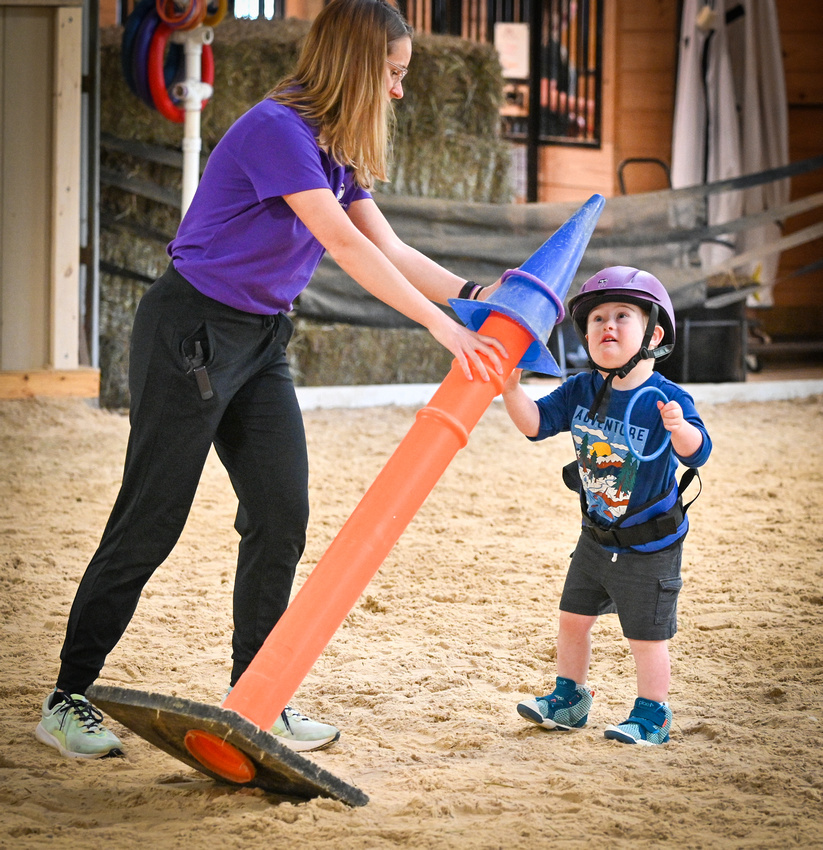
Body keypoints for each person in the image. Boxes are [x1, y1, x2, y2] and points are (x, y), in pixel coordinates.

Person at [35, 0, 507, 760]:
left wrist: (478, 297)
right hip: (190, 331)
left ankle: (256, 699)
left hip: (261, 339)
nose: (397, 91)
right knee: (151, 520)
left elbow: (387, 244)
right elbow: (347, 249)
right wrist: (441, 328)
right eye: (390, 73)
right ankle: (67, 696)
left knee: (281, 515)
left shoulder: (333, 145)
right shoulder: (276, 129)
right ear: (356, 65)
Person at [501, 266, 711, 745]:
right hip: (595, 537)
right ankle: (568, 698)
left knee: (645, 638)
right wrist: (512, 391)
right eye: (597, 319)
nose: (607, 326)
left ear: (653, 334)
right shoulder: (580, 389)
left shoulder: (667, 397)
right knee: (573, 621)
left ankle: (651, 714)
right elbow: (535, 424)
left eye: (622, 316)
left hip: (649, 544)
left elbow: (698, 452)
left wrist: (680, 427)